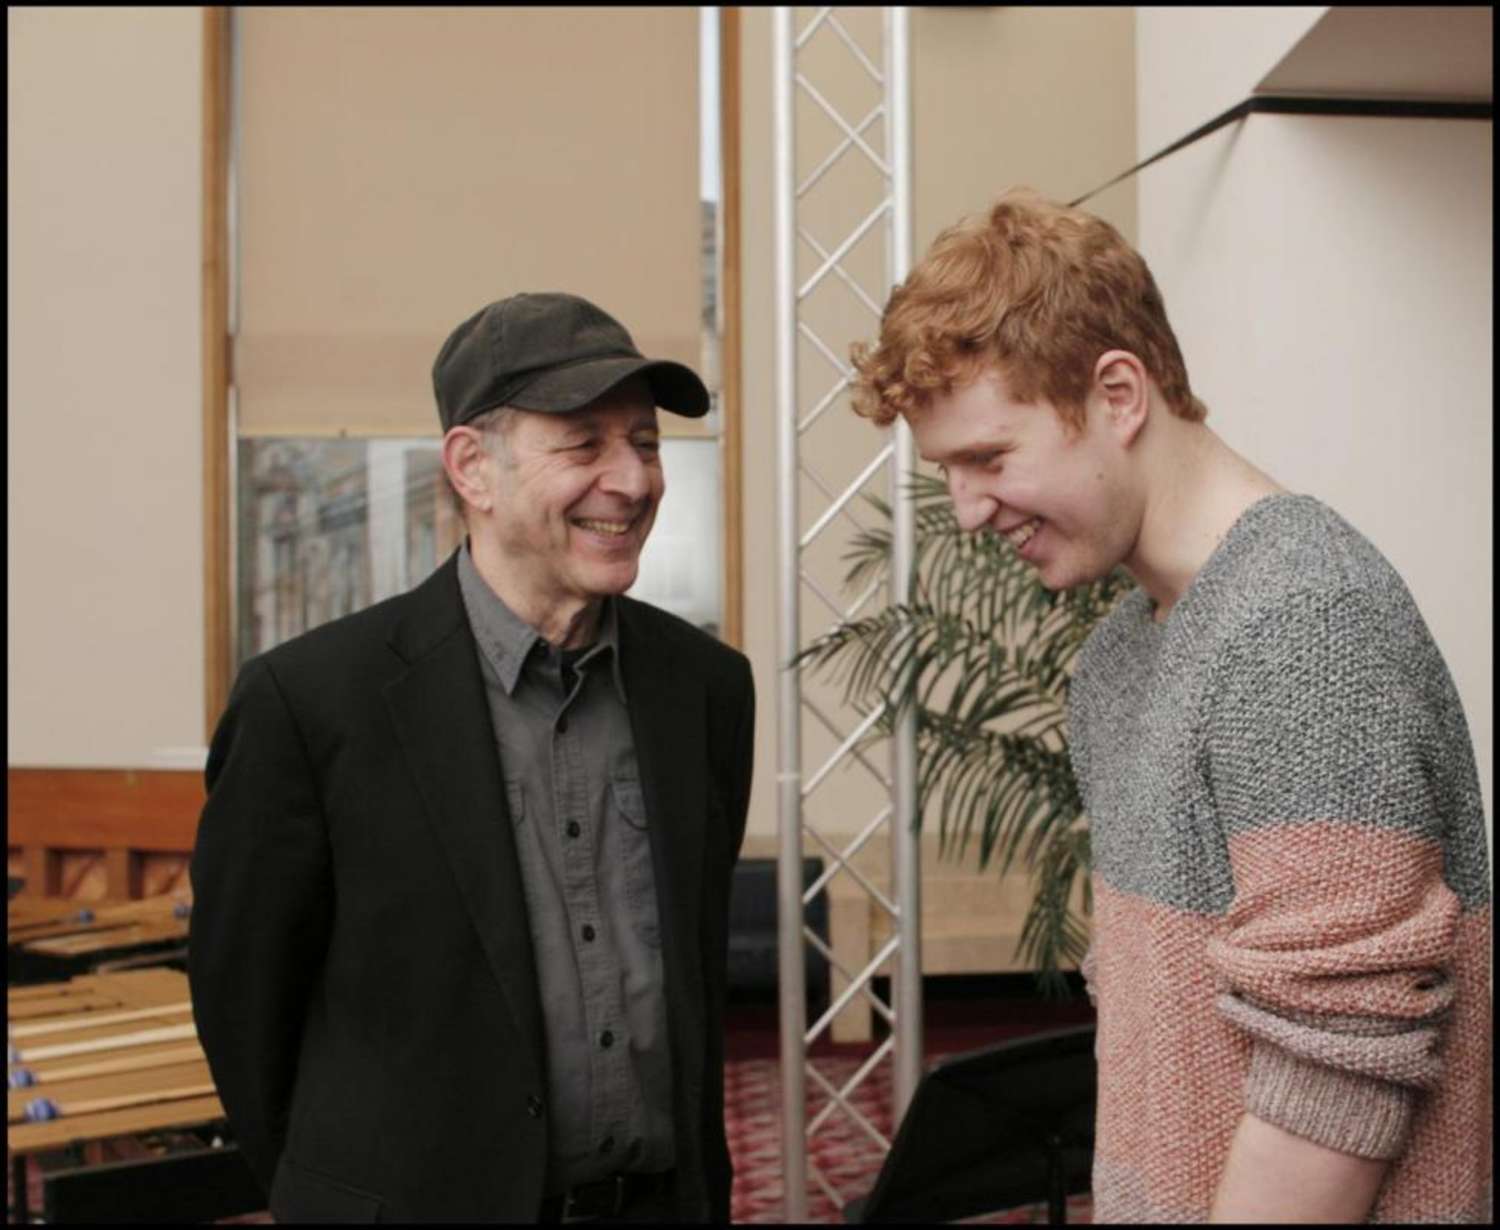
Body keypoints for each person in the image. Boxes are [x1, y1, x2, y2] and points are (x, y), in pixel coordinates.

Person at [848, 188, 1490, 1223]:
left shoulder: (1304, 628)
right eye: (949, 471)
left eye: (988, 458)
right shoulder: (1117, 656)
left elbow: (1332, 1088)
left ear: (1117, 394)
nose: (964, 510)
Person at [189, 292, 755, 1223]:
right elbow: (245, 1009)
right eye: (584, 445)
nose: (633, 480)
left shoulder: (705, 690)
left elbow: (689, 982)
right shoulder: (310, 704)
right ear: (472, 469)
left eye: (646, 444)